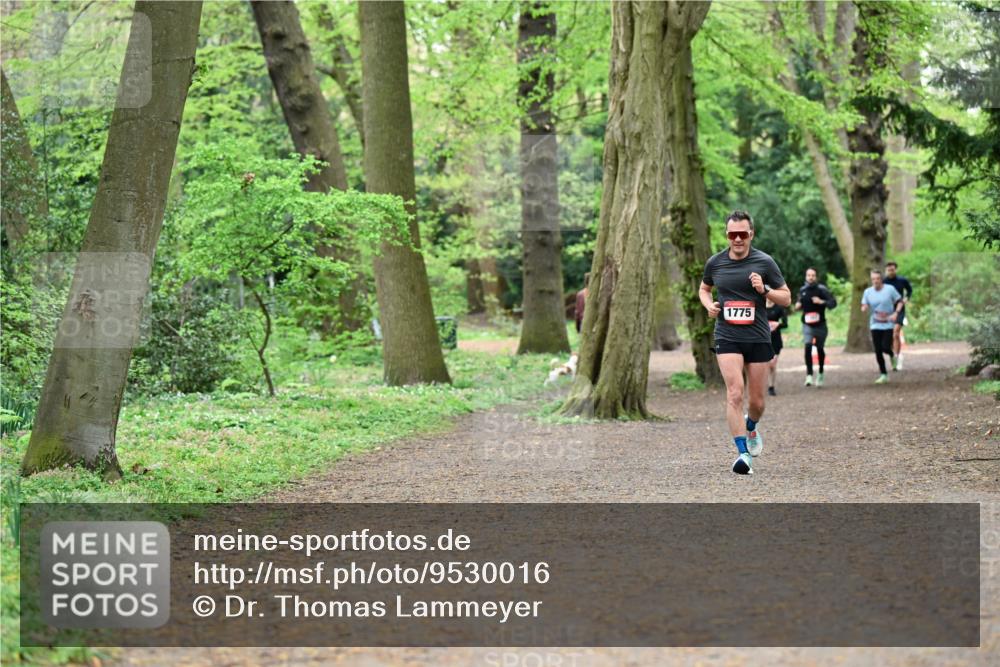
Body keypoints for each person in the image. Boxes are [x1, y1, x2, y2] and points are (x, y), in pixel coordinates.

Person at [699, 210, 791, 475]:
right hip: (727, 336)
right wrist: (709, 306)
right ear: (727, 235)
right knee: (735, 392)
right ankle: (742, 455)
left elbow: (785, 298)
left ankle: (751, 426)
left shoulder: (765, 262)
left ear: (751, 234)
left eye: (742, 234)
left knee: (757, 402)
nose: (737, 239)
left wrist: (765, 290)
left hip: (758, 338)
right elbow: (704, 289)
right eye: (732, 234)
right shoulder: (715, 263)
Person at [794, 267, 837, 387]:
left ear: (816, 277)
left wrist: (821, 302)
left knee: (819, 349)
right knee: (807, 346)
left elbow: (833, 303)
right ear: (806, 277)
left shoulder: (822, 290)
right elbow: (799, 303)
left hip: (820, 325)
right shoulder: (803, 290)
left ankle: (821, 373)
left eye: (813, 275)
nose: (810, 277)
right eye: (808, 275)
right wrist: (797, 306)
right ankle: (809, 375)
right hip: (807, 324)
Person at [860, 270, 903, 384]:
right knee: (878, 350)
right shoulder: (868, 292)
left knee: (885, 347)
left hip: (888, 323)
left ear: (881, 279)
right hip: (875, 324)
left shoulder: (890, 289)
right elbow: (864, 304)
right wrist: (864, 307)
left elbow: (900, 301)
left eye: (877, 279)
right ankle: (884, 374)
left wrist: (895, 313)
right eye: (873, 279)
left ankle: (891, 355)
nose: (875, 281)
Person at [883, 261, 912, 371]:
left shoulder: (902, 280)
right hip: (887, 310)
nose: (891, 272)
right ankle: (892, 355)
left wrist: (906, 298)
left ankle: (898, 356)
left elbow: (909, 290)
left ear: (896, 270)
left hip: (899, 310)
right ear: (886, 270)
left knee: (896, 333)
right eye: (889, 270)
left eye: (893, 270)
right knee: (889, 335)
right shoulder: (884, 282)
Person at [766, 298, 787, 396]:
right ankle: (760, 385)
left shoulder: (779, 307)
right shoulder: (759, 306)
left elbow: (785, 324)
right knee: (763, 365)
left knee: (772, 365)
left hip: (775, 340)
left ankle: (771, 386)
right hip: (762, 340)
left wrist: (778, 324)